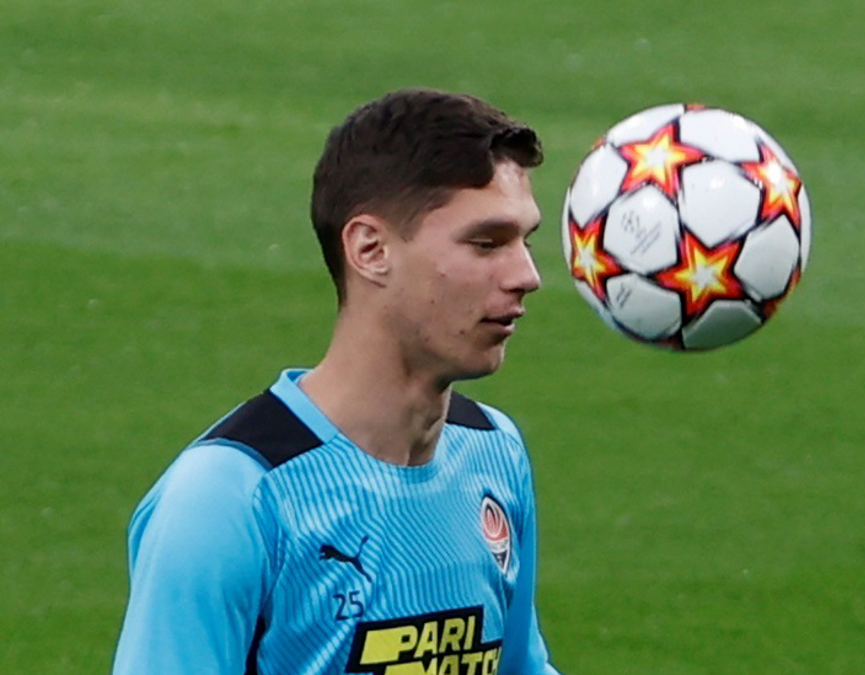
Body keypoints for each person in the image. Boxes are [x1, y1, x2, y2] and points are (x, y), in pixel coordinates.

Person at [112, 88, 561, 675]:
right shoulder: (231, 499)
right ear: (371, 250)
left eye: (524, 241)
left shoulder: (493, 450)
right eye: (486, 243)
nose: (527, 276)